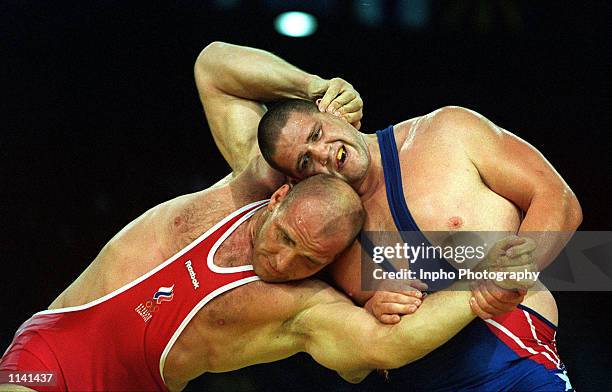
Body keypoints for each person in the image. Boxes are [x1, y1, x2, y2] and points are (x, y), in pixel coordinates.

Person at [196, 41, 582, 390]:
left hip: (512, 368)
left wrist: (314, 86)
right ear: (294, 179)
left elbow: (557, 197)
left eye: (317, 133)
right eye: (305, 160)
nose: (325, 153)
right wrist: (368, 312)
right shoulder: (315, 229)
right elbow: (213, 69)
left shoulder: (446, 133)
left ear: (333, 114)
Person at [0, 169, 529, 391]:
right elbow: (214, 66)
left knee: (578, 263)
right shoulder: (234, 192)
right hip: (48, 357)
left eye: (308, 258)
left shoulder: (304, 305)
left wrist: (476, 296)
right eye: (284, 237)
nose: (282, 261)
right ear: (277, 199)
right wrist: (313, 90)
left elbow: (384, 345)